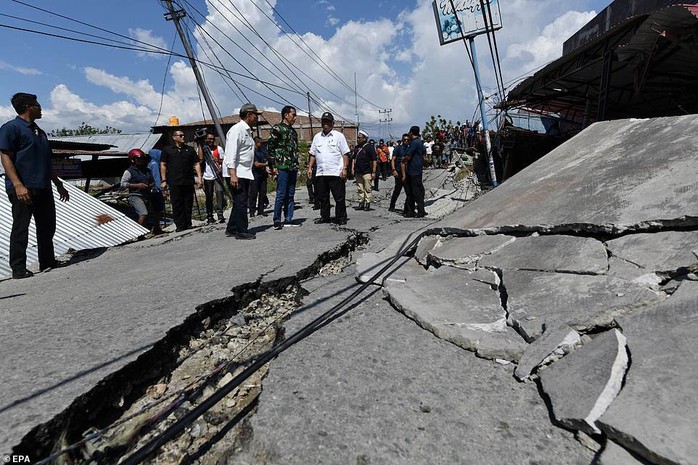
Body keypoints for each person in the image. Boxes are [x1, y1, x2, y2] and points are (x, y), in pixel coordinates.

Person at [0, 93, 70, 279]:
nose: (41, 108)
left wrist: (58, 184)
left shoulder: (40, 132)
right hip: (23, 187)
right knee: (21, 228)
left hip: (43, 186)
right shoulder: (11, 128)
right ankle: (18, 268)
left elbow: (46, 162)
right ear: (28, 106)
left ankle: (47, 261)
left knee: (47, 226)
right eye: (38, 105)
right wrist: (17, 185)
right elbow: (5, 156)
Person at [224, 103, 262, 240]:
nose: (257, 118)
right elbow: (231, 153)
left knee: (239, 200)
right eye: (255, 115)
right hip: (236, 172)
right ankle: (241, 231)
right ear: (249, 115)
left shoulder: (247, 131)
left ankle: (232, 228)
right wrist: (233, 173)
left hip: (244, 171)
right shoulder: (237, 130)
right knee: (241, 201)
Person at [307, 112, 350, 225]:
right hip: (321, 173)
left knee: (339, 197)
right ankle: (325, 217)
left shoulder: (338, 136)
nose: (325, 124)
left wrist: (345, 168)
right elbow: (312, 154)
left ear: (332, 123)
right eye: (323, 122)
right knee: (323, 197)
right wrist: (310, 167)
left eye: (327, 122)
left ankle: (341, 217)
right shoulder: (317, 137)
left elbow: (345, 154)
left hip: (336, 172)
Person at [160, 130, 202, 232]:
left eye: (183, 135)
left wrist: (200, 178)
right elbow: (163, 165)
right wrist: (163, 180)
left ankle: (188, 223)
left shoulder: (190, 149)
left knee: (188, 202)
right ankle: (180, 225)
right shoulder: (167, 150)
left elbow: (196, 163)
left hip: (188, 180)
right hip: (174, 181)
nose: (183, 137)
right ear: (174, 137)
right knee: (177, 203)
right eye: (180, 135)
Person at [267, 105, 299, 229]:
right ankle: (277, 219)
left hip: (292, 166)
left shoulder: (293, 131)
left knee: (290, 194)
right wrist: (272, 166)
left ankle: (288, 218)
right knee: (281, 193)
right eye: (293, 115)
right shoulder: (277, 129)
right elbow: (270, 148)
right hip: (282, 166)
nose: (295, 118)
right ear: (286, 115)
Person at [121, 148, 159, 231]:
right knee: (143, 213)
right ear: (133, 160)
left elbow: (152, 181)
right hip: (135, 195)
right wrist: (137, 185)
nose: (141, 161)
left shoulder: (147, 170)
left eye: (142, 159)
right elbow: (123, 184)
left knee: (152, 213)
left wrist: (150, 185)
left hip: (146, 195)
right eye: (139, 159)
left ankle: (154, 229)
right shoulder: (129, 171)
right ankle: (139, 233)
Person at [198, 132, 226, 224]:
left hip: (217, 174)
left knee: (219, 192)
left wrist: (218, 160)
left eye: (213, 139)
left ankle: (220, 213)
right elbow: (200, 159)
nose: (211, 141)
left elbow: (224, 160)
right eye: (209, 139)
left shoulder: (219, 149)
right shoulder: (203, 149)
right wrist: (200, 145)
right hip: (207, 175)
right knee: (209, 196)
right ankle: (209, 215)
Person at [401, 126, 427, 218]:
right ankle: (419, 210)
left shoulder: (414, 143)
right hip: (418, 169)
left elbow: (408, 156)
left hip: (412, 170)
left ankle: (414, 211)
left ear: (411, 133)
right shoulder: (420, 143)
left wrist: (403, 159)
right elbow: (424, 156)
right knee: (418, 190)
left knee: (412, 191)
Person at [351, 130, 377, 211]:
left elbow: (374, 160)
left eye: (359, 138)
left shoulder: (370, 148)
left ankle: (367, 203)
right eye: (358, 137)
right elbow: (354, 159)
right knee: (360, 188)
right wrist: (352, 168)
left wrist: (374, 171)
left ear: (364, 138)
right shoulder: (356, 147)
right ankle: (361, 202)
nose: (358, 139)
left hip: (367, 171)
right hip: (358, 171)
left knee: (367, 188)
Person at [249, 136, 269, 218]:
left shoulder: (262, 151)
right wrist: (266, 164)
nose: (261, 144)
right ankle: (252, 211)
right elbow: (256, 164)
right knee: (254, 193)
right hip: (255, 174)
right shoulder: (253, 152)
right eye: (260, 142)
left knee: (262, 192)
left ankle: (261, 210)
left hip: (263, 174)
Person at [389, 133, 409, 212]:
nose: (406, 141)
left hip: (407, 172)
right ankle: (392, 205)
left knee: (408, 191)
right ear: (402, 140)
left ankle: (406, 208)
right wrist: (393, 170)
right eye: (404, 140)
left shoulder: (409, 148)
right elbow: (393, 159)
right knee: (397, 190)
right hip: (398, 171)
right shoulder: (398, 148)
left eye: (407, 140)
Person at [147, 149, 165, 233]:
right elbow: (156, 178)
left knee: (153, 210)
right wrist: (161, 190)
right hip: (155, 190)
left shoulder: (149, 163)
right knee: (157, 210)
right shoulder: (154, 164)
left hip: (150, 189)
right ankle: (156, 227)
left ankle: (155, 227)